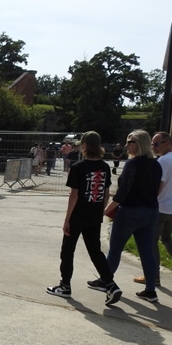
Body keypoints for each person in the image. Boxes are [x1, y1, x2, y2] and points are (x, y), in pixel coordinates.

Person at [46, 131, 121, 305]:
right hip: (94, 216)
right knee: (95, 251)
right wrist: (100, 211)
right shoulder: (104, 167)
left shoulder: (78, 167)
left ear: (85, 145)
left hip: (78, 215)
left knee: (67, 250)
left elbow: (74, 195)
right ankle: (110, 283)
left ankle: (65, 285)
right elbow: (106, 194)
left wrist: (67, 219)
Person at [97, 130, 163, 303]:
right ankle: (151, 290)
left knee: (115, 249)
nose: (126, 145)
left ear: (140, 144)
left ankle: (106, 281)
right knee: (147, 251)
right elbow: (158, 189)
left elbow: (122, 193)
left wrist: (104, 211)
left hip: (130, 211)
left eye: (130, 142)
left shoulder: (132, 164)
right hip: (151, 212)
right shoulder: (156, 165)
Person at [133, 132, 172, 287]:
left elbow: (158, 185)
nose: (153, 147)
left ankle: (153, 276)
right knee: (166, 238)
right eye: (152, 144)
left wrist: (147, 200)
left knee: (151, 240)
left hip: (160, 207)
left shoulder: (163, 161)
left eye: (156, 144)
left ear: (167, 143)